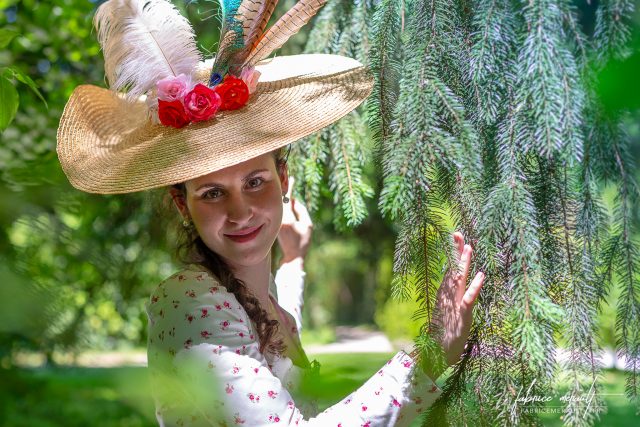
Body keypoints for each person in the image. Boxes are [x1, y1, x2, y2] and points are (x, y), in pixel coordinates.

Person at [55, 1, 485, 426]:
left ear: (284, 180)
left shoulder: (246, 295)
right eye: (211, 193)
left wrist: (293, 263)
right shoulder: (189, 302)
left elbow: (267, 332)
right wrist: (428, 358)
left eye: (255, 182)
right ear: (182, 204)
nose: (240, 212)